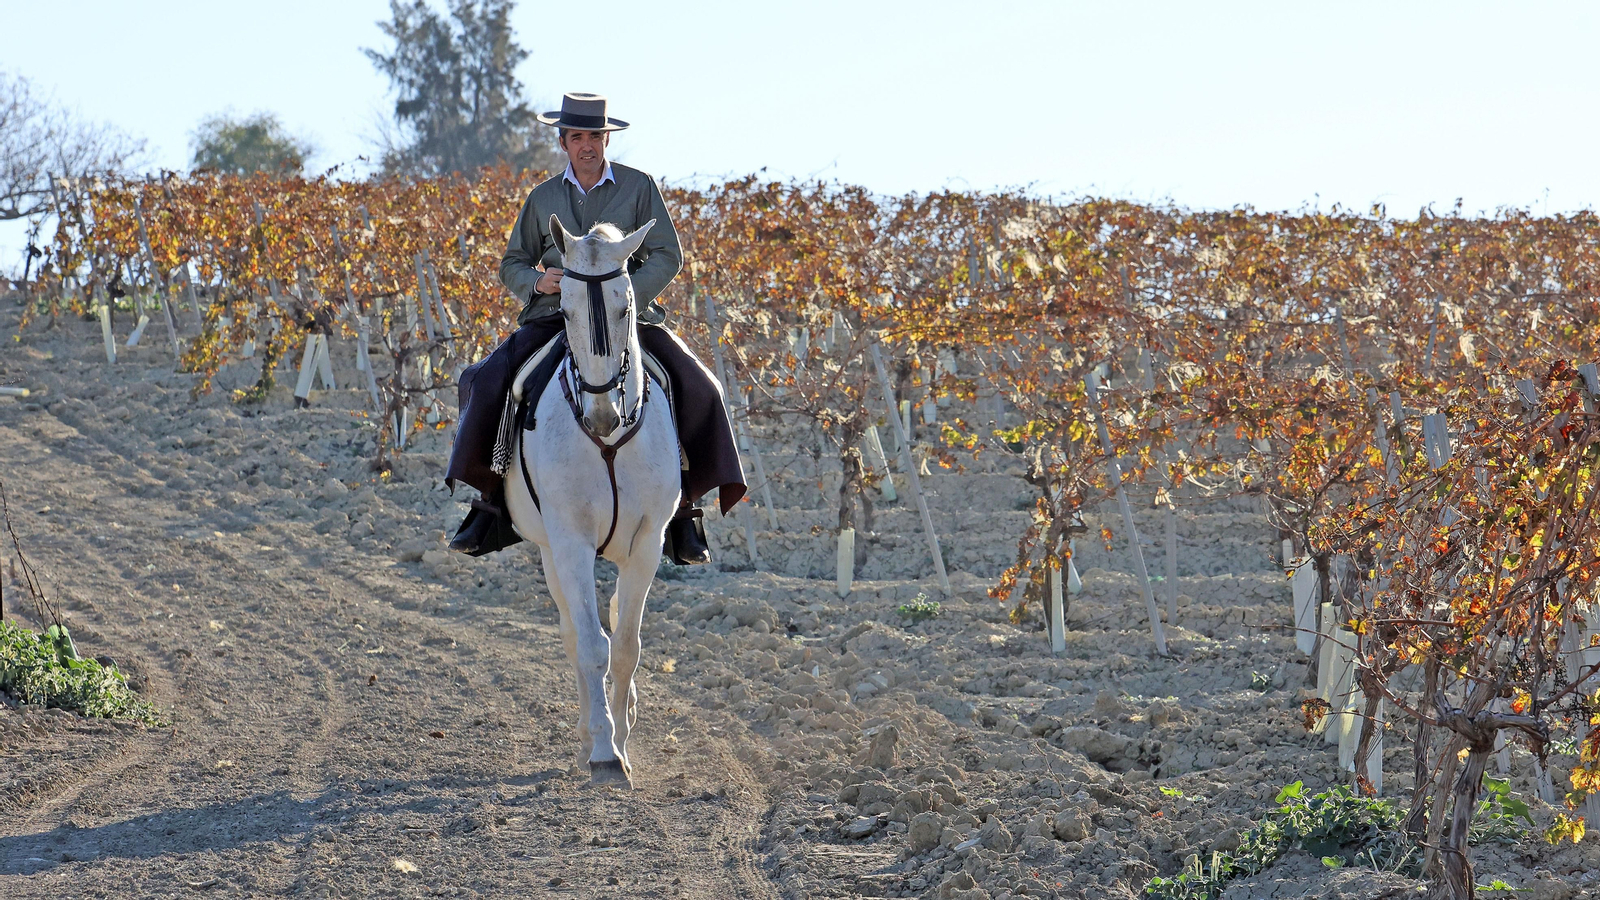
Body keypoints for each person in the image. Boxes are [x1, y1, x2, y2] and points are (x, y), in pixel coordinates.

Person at [445, 92, 745, 562]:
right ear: (563, 142)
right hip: (555, 319)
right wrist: (537, 280)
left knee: (700, 385)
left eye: (595, 137)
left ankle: (685, 512)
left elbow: (669, 254)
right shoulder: (542, 197)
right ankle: (488, 506)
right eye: (578, 137)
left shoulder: (639, 187)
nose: (587, 146)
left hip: (628, 321)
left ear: (608, 140)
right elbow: (511, 263)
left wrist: (622, 298)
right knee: (485, 380)